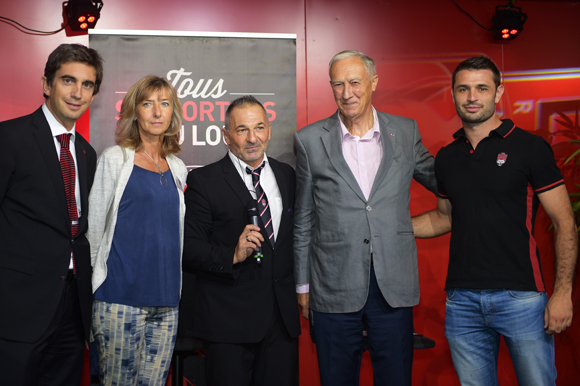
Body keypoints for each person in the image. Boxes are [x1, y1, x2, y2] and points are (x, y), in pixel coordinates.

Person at [412, 55, 578, 386]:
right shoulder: (447, 157)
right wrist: (386, 228)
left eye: (481, 88)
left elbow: (566, 224)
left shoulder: (530, 147)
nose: (472, 97)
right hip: (462, 301)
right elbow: (444, 219)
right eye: (463, 89)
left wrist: (562, 293)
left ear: (498, 93)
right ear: (454, 93)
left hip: (522, 299)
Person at [293, 50, 437, 386]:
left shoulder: (404, 131)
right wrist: (303, 286)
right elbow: (303, 219)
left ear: (373, 81)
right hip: (333, 283)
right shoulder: (309, 140)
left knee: (395, 378)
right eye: (338, 84)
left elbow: (441, 180)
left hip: (392, 283)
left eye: (355, 82)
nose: (347, 93)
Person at [0, 43, 102, 385]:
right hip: (17, 309)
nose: (77, 93)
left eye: (87, 85)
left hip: (72, 308)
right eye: (68, 81)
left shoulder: (87, 154)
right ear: (47, 84)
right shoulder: (9, 137)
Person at [183, 95, 300, 386]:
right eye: (242, 130)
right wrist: (232, 255)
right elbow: (189, 248)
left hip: (280, 323)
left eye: (259, 128)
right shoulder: (204, 181)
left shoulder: (287, 176)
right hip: (228, 324)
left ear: (269, 130)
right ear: (226, 135)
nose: (252, 138)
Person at [88, 75, 188, 385]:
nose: (157, 112)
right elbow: (93, 232)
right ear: (135, 111)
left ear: (173, 112)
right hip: (119, 301)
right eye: (148, 104)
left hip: (167, 304)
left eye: (165, 104)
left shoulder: (177, 167)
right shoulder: (115, 160)